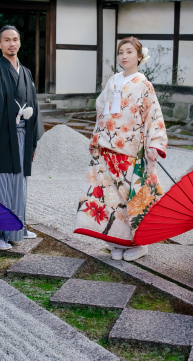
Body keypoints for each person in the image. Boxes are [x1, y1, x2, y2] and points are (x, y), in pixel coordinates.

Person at [73, 37, 168, 262]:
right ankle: (115, 241)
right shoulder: (113, 81)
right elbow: (101, 110)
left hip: (130, 151)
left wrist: (154, 144)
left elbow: (153, 115)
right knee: (110, 198)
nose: (124, 56)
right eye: (121, 52)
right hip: (107, 147)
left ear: (139, 56)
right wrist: (96, 138)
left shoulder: (144, 85)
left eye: (129, 52)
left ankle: (140, 243)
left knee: (131, 198)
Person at [0, 25, 43, 250]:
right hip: (0, 135)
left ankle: (16, 228)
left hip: (23, 135)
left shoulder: (26, 73)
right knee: (0, 182)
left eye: (15, 39)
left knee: (19, 183)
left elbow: (34, 106)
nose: (11, 43)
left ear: (19, 42)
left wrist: (33, 142)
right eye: (7, 40)